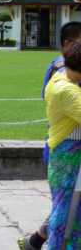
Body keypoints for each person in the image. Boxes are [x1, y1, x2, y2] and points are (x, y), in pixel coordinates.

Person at [17, 21, 81, 250]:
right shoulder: (63, 80)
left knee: (69, 207)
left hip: (66, 143)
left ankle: (37, 241)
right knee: (64, 208)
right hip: (67, 147)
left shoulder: (62, 74)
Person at [44, 41, 81, 249]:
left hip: (68, 150)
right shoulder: (66, 90)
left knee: (72, 210)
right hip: (69, 152)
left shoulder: (62, 76)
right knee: (63, 209)